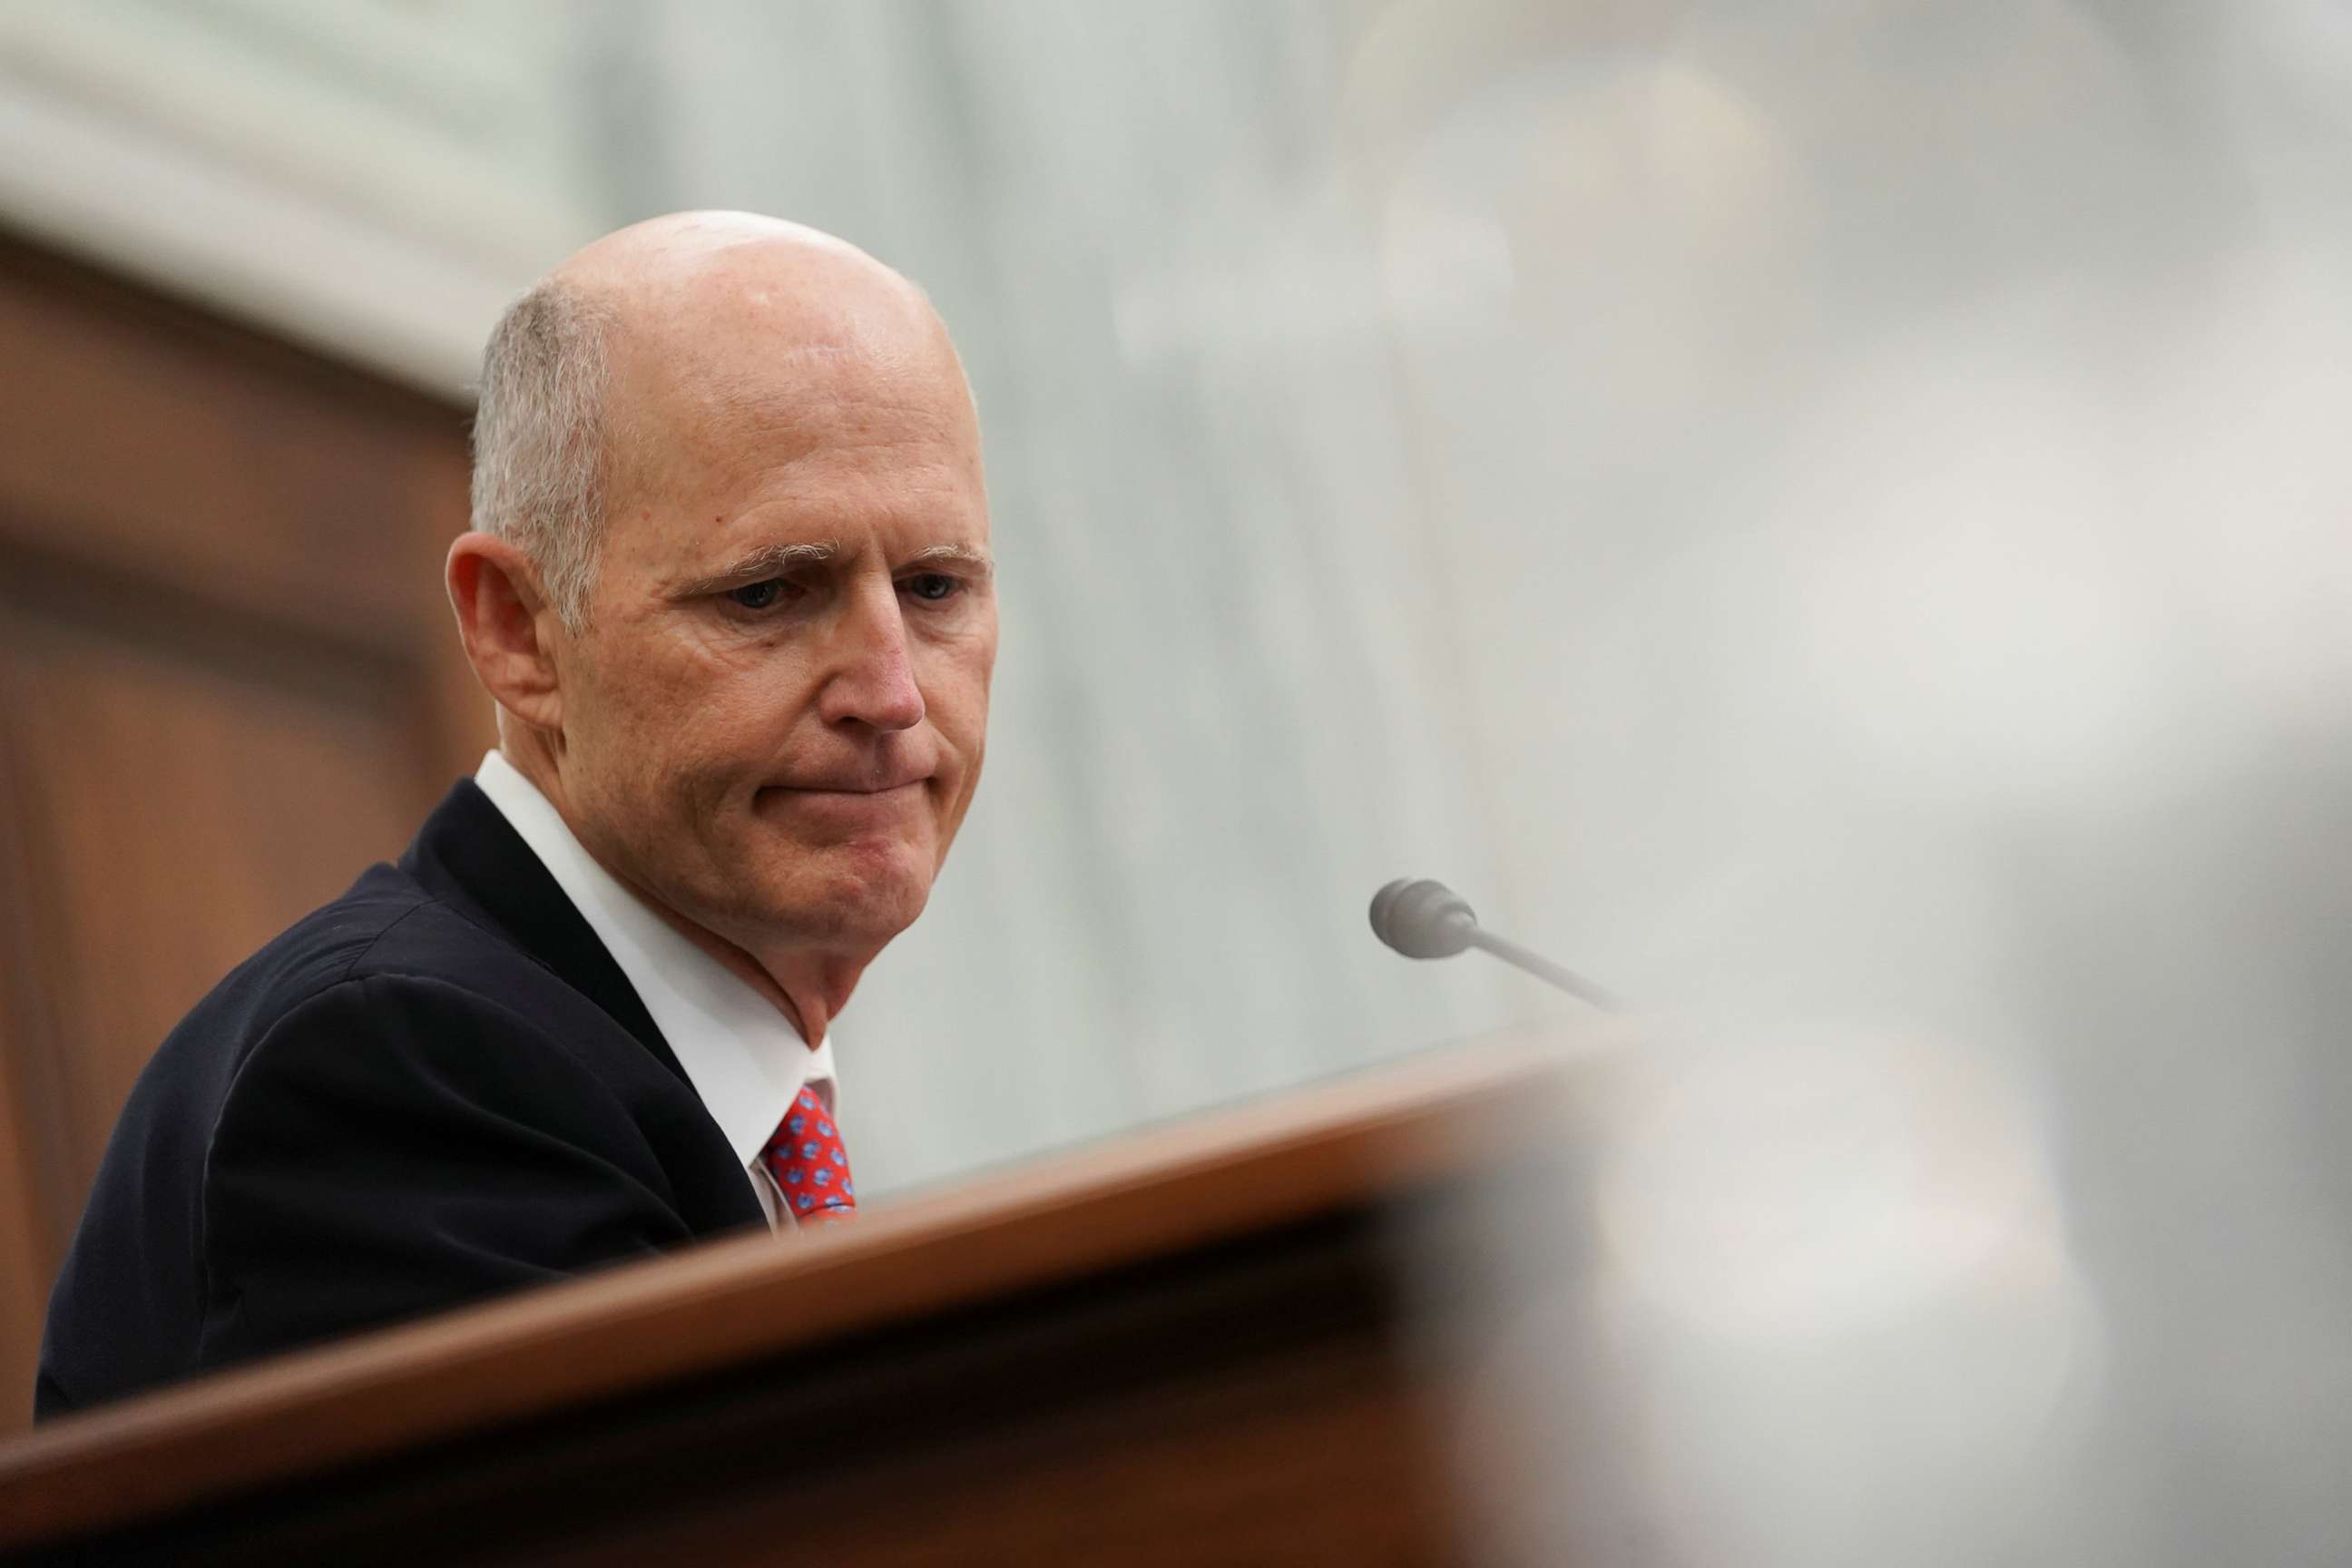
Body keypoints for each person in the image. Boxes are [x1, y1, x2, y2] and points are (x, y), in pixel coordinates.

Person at [34, 212, 998, 1418]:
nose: (893, 694)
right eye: (768, 593)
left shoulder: (664, 1080)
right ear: (518, 632)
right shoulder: (403, 1075)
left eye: (936, 587)